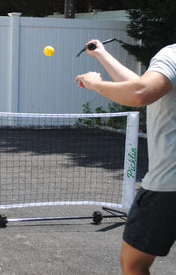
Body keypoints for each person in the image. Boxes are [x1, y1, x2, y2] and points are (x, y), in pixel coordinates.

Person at [75, 40, 175, 275]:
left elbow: (140, 92)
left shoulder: (172, 54)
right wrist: (102, 55)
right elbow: (144, 87)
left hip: (167, 188)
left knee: (133, 264)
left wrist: (97, 84)